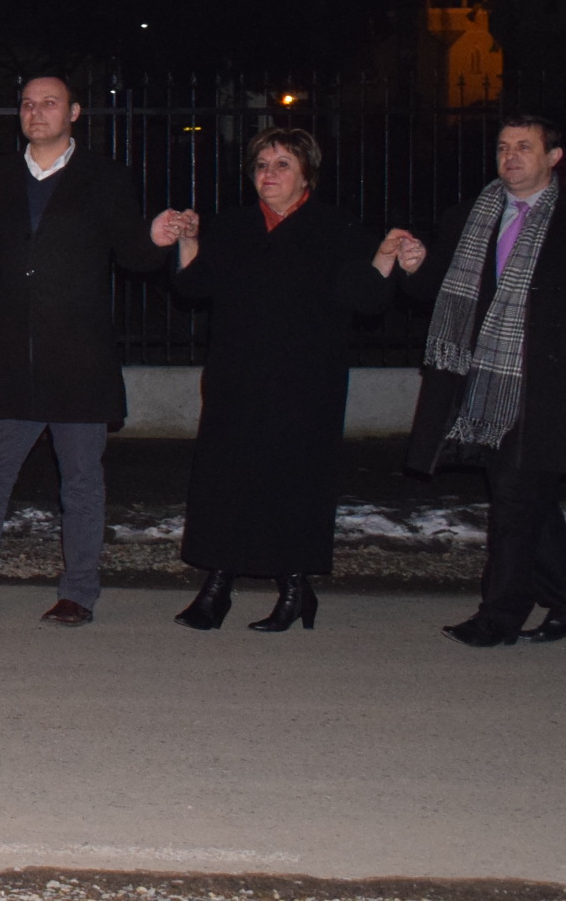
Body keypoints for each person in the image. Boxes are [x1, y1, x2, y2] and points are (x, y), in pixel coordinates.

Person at [0, 75, 193, 625]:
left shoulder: (104, 177)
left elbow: (134, 254)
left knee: (80, 481)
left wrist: (157, 236)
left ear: (75, 112)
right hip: (13, 355)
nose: (37, 112)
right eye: (28, 104)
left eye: (50, 103)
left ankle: (78, 592)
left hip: (80, 356)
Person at [384, 114, 566, 647]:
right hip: (481, 381)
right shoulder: (468, 218)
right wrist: (415, 265)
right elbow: (434, 293)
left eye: (525, 146)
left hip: (547, 387)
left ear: (554, 157)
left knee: (517, 499)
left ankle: (500, 615)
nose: (511, 156)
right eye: (503, 147)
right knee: (525, 499)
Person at [166, 127, 399, 633]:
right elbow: (192, 288)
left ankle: (294, 588)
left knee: (293, 481)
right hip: (237, 377)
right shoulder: (233, 226)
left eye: (282, 165)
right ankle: (217, 587)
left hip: (305, 382)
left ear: (306, 174)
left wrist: (384, 259)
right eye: (261, 166)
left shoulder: (335, 228)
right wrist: (188, 241)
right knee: (228, 480)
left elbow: (366, 299)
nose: (268, 175)